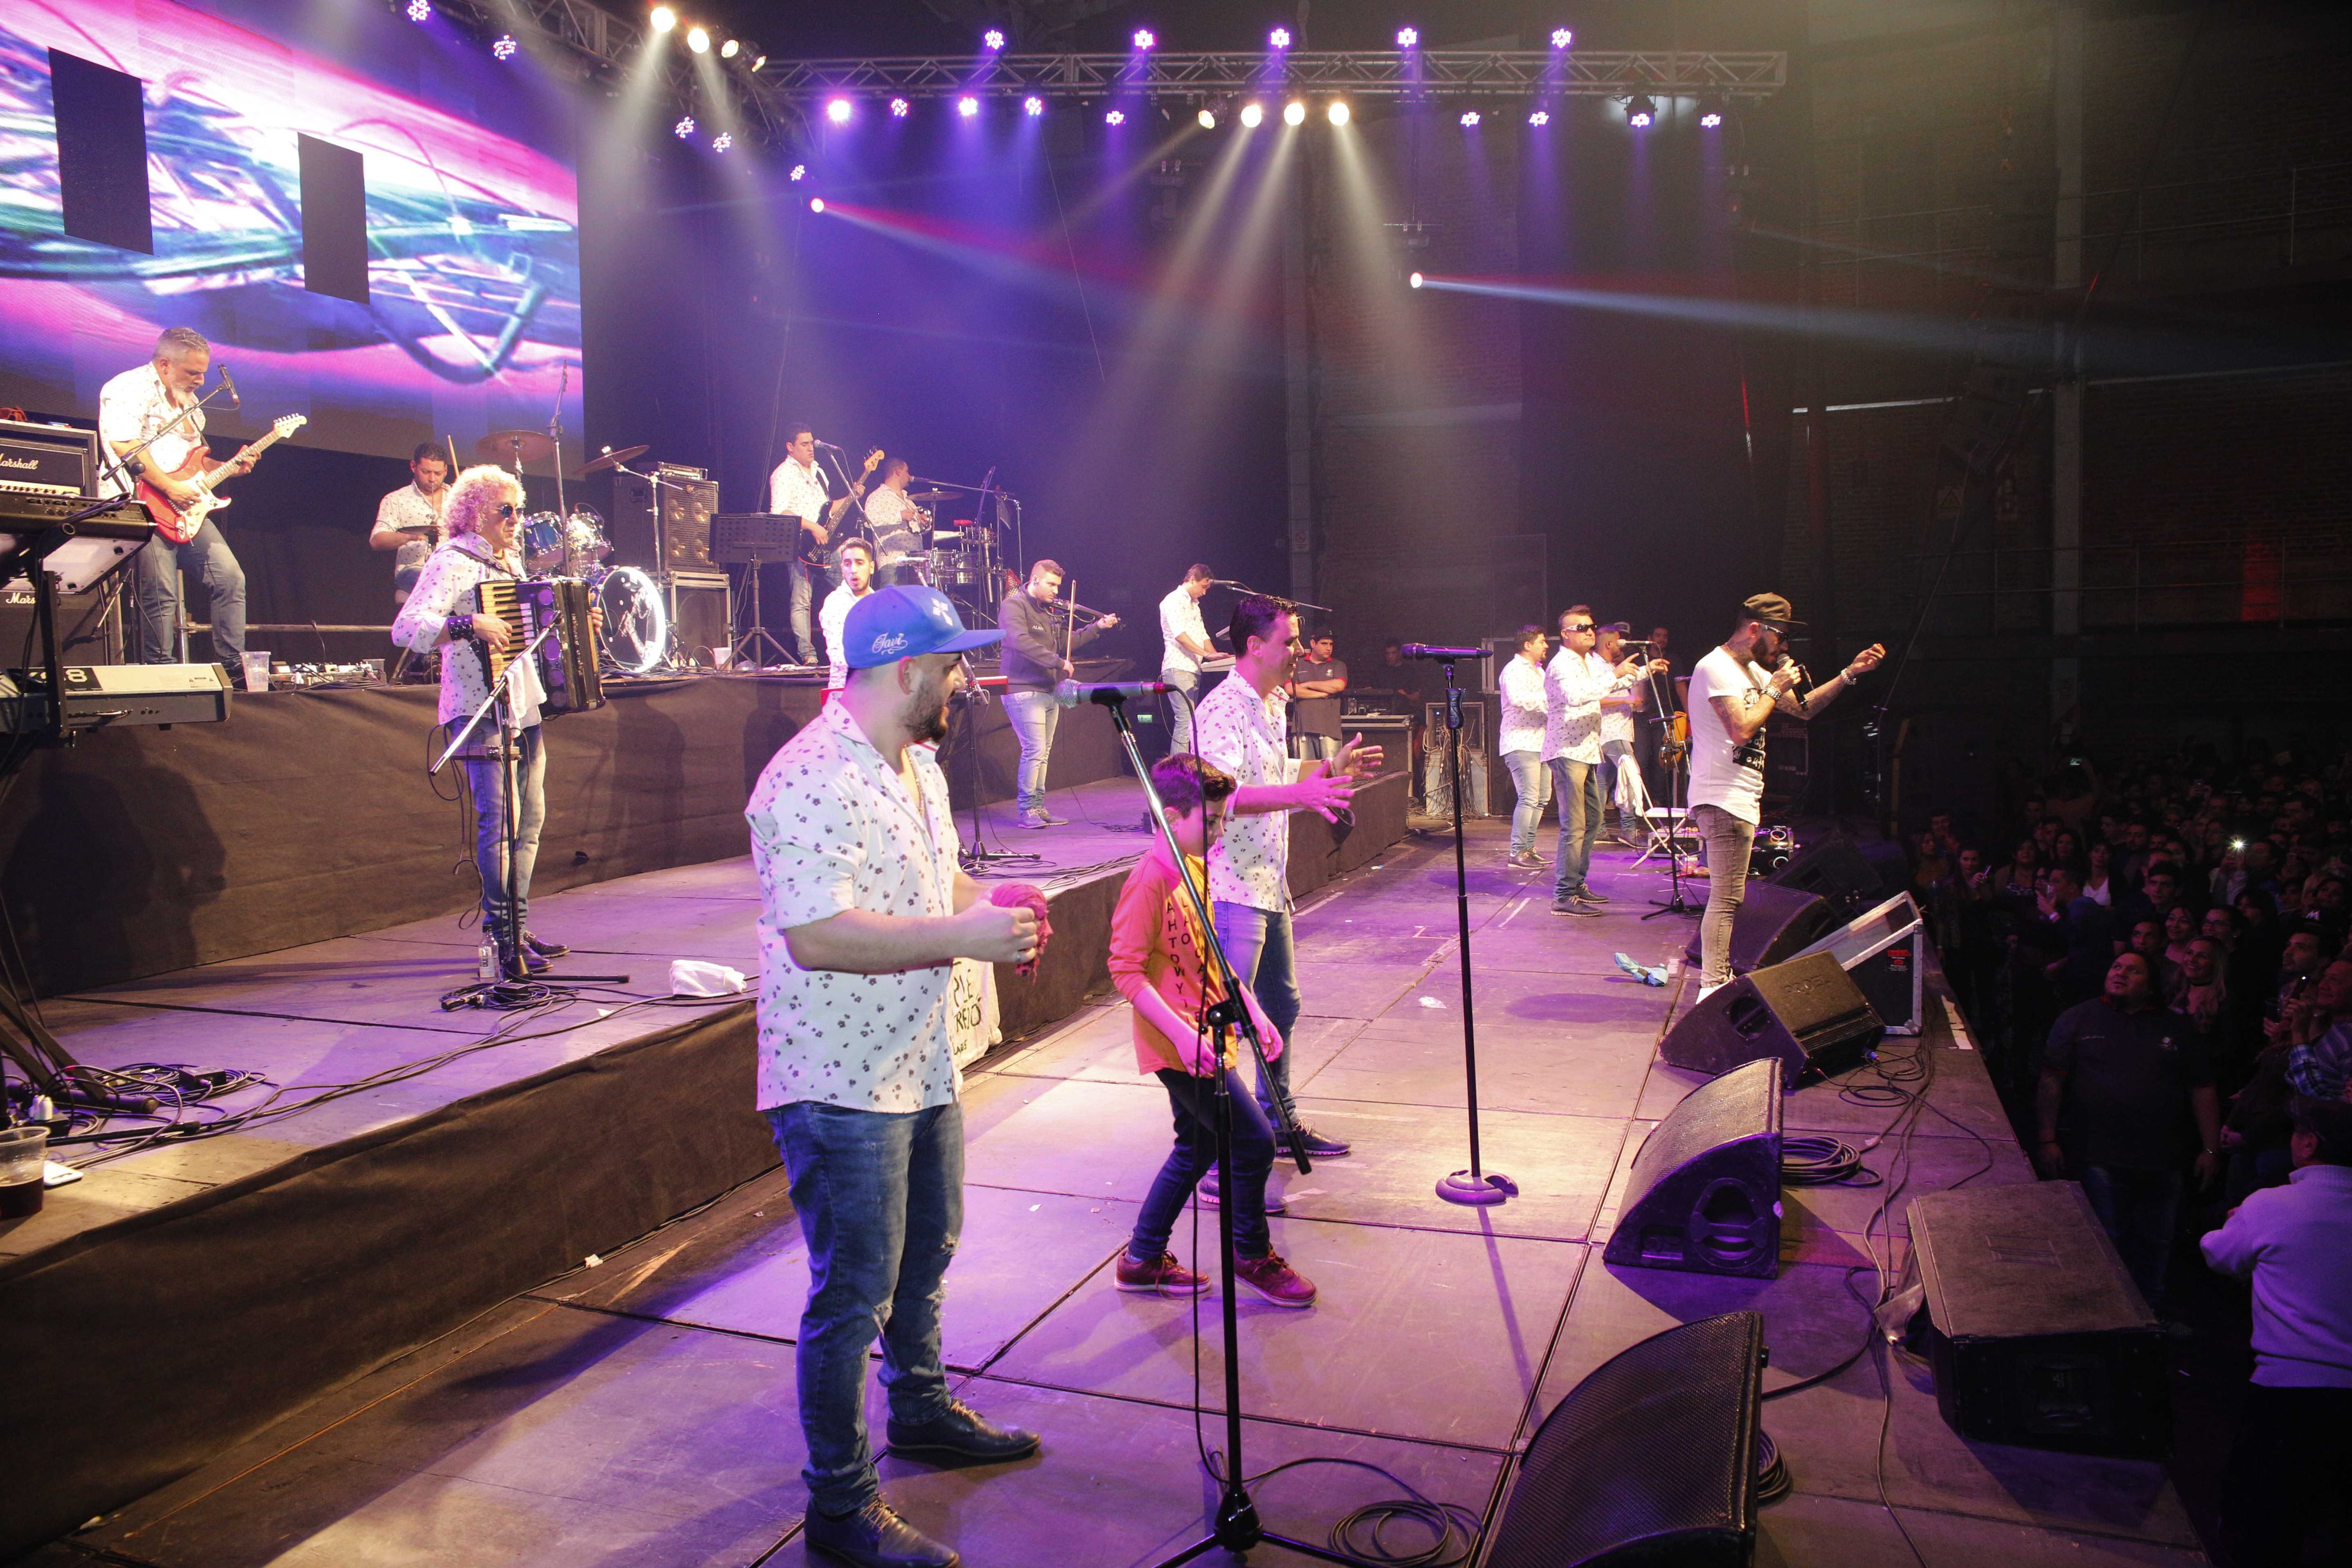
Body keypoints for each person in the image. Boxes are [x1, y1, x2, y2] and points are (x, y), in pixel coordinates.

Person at [746, 584, 1043, 1568]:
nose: (965, 678)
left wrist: (990, 907)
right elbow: (817, 934)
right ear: (906, 669)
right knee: (854, 1293)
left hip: (916, 1061)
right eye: (953, 663)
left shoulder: (916, 764)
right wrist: (962, 934)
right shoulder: (804, 777)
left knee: (928, 1254)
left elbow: (935, 883)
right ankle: (839, 1505)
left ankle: (917, 1409)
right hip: (838, 1080)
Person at [1110, 752, 1315, 1307]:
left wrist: (1251, 1005)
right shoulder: (1149, 881)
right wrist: (1179, 1035)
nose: (1222, 830)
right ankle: (1250, 1253)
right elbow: (1124, 970)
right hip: (1178, 1047)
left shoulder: (1195, 867)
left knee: (1196, 1146)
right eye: (1213, 820)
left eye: (1224, 819)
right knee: (1251, 1143)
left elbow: (1208, 958)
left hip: (1205, 1036)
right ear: (1171, 817)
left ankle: (1141, 1259)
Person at [1194, 597, 1378, 1167]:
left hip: (1267, 882)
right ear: (1254, 646)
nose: (1300, 651)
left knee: (1280, 1005)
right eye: (1290, 642)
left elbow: (1272, 779)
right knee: (1224, 1020)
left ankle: (1277, 1121)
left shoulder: (1271, 704)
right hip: (1231, 887)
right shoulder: (1223, 708)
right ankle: (1216, 1153)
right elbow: (1217, 794)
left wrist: (1326, 773)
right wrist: (1301, 795)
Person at [390, 466, 589, 978]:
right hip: (478, 707)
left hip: (523, 704)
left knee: (530, 822)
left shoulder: (511, 562)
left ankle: (517, 925)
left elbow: (531, 630)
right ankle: (500, 936)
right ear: (476, 513)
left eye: (518, 511)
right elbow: (405, 629)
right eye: (507, 510)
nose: (516, 521)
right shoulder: (451, 561)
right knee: (499, 825)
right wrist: (466, 624)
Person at [1685, 594, 1883, 992]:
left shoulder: (1753, 670)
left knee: (1731, 897)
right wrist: (1773, 689)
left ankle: (1717, 979)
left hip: (1740, 796)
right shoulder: (1716, 667)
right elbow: (1740, 729)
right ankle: (1712, 985)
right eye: (1782, 635)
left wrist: (1849, 673)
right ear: (1755, 628)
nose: (1785, 645)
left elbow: (1805, 709)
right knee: (1726, 898)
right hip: (1720, 795)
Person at [2201, 1096, 2352, 1568]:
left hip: (2284, 1392)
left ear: (2308, 1145)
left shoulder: (2271, 1205)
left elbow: (2220, 1254)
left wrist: (2231, 1223)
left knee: (2266, 1527)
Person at [2034, 950, 2222, 1312]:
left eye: (2133, 970)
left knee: (2156, 1242)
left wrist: (2211, 1148)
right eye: (2116, 965)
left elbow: (2203, 1087)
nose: (2120, 973)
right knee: (2106, 1238)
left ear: (2151, 985)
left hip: (2163, 1156)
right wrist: (2047, 1138)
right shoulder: (2079, 1018)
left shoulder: (2177, 1027)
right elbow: (2050, 1081)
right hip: (2098, 1151)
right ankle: (2106, 1316)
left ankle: (2149, 1318)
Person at [99, 326, 252, 673]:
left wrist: (230, 467)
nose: (200, 379)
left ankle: (233, 667)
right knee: (161, 593)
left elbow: (195, 462)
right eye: (193, 372)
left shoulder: (191, 403)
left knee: (231, 579)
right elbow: (123, 446)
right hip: (140, 503)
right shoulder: (128, 388)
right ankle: (162, 670)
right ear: (165, 364)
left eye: (203, 372)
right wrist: (169, 487)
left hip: (184, 507)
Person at [1542, 607, 1653, 917]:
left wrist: (1645, 671)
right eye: (1582, 627)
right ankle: (1563, 895)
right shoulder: (1562, 664)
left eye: (1591, 626)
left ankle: (1576, 884)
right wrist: (1615, 676)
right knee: (1575, 825)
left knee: (1592, 822)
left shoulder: (1586, 662)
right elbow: (1578, 696)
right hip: (1567, 751)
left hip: (1588, 750)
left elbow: (1607, 684)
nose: (1590, 631)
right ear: (1566, 634)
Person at [997, 559, 1118, 829]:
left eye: (1058, 586)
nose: (1055, 591)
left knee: (1043, 751)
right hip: (1022, 689)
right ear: (1035, 580)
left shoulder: (1048, 613)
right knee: (1035, 750)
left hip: (1048, 689)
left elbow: (1065, 644)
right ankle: (1027, 809)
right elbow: (1020, 641)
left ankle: (1038, 807)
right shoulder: (1014, 605)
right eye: (1051, 584)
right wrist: (1057, 662)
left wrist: (1096, 628)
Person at [766, 423, 832, 665]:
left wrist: (852, 496)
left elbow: (827, 509)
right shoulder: (783, 473)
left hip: (824, 545)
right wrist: (812, 526)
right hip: (799, 545)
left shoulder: (819, 472)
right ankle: (808, 656)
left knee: (849, 590)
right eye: (804, 444)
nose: (811, 448)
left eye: (812, 443)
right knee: (802, 602)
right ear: (790, 447)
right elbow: (779, 511)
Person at [1496, 625, 1551, 869]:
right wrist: (1552, 702)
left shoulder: (1540, 672)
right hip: (1521, 741)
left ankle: (1528, 848)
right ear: (1528, 645)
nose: (1546, 646)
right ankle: (1517, 851)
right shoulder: (1513, 670)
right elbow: (1519, 699)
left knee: (1542, 798)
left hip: (1542, 741)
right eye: (1542, 641)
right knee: (1529, 796)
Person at [371, 443, 451, 609]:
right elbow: (377, 541)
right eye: (426, 472)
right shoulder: (396, 500)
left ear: (446, 471)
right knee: (434, 580)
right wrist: (408, 537)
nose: (432, 479)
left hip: (452, 569)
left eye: (438, 473)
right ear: (414, 467)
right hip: (413, 570)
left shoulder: (458, 499)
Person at [1158, 565, 1216, 756]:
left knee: (1190, 721)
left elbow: (1203, 634)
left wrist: (1215, 656)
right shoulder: (1173, 601)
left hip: (1193, 668)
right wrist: (1207, 655)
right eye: (1204, 587)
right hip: (1178, 667)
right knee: (1185, 720)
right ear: (1192, 579)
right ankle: (1177, 773)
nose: (1205, 593)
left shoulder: (1195, 605)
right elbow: (1180, 635)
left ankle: (1185, 767)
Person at [1594, 623, 1642, 845]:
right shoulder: (1596, 666)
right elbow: (1595, 700)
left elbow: (1621, 683)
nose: (1622, 644)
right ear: (1609, 644)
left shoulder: (1607, 666)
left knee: (1603, 781)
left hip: (1613, 732)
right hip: (1612, 733)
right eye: (1619, 640)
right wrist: (1626, 699)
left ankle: (1598, 829)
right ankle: (1630, 831)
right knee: (1631, 776)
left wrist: (1648, 670)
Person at [818, 540, 878, 699]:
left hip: (878, 692)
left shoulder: (879, 602)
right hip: (845, 694)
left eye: (860, 563)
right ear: (842, 568)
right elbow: (840, 657)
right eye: (847, 564)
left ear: (871, 567)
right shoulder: (835, 603)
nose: (853, 570)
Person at [860, 456, 923, 586]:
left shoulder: (909, 501)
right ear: (898, 472)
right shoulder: (877, 496)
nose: (909, 476)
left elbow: (916, 529)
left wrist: (924, 523)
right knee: (894, 604)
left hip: (916, 562)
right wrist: (899, 515)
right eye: (907, 472)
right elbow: (870, 519)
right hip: (893, 561)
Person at [1287, 628, 1347, 762]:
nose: (1329, 648)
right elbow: (1291, 689)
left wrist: (1308, 684)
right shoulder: (1298, 665)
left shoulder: (1338, 665)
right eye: (1324, 644)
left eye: (1331, 644)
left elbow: (1339, 686)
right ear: (1313, 644)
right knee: (1305, 776)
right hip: (1302, 729)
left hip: (1329, 730)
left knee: (1331, 776)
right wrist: (1321, 694)